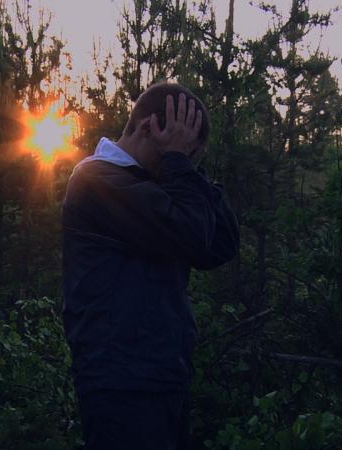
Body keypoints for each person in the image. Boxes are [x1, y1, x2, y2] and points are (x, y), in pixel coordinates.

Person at [61, 82, 240, 450]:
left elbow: (220, 244)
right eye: (175, 153)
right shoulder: (96, 180)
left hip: (161, 375)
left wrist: (186, 165)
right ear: (147, 128)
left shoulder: (153, 184)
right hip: (120, 382)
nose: (178, 164)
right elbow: (191, 235)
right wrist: (179, 164)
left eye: (190, 156)